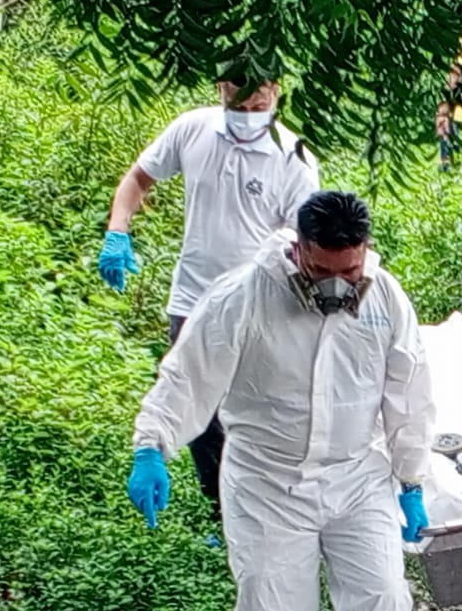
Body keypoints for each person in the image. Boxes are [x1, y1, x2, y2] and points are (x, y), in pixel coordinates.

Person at [125, 191, 434, 611]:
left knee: (383, 609)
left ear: (365, 255)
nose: (338, 289)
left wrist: (412, 478)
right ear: (298, 251)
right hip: (267, 483)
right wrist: (152, 444)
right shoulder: (243, 296)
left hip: (356, 477)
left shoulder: (386, 300)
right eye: (323, 274)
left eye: (350, 274)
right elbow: (188, 373)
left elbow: (409, 391)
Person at [100, 78, 320, 514]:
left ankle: (262, 501)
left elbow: (305, 239)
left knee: (253, 404)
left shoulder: (292, 156)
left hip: (257, 304)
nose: (250, 114)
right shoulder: (192, 130)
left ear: (276, 92)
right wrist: (117, 231)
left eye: (260, 105)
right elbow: (137, 179)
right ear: (221, 88)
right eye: (240, 103)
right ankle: (217, 507)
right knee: (197, 404)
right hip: (193, 297)